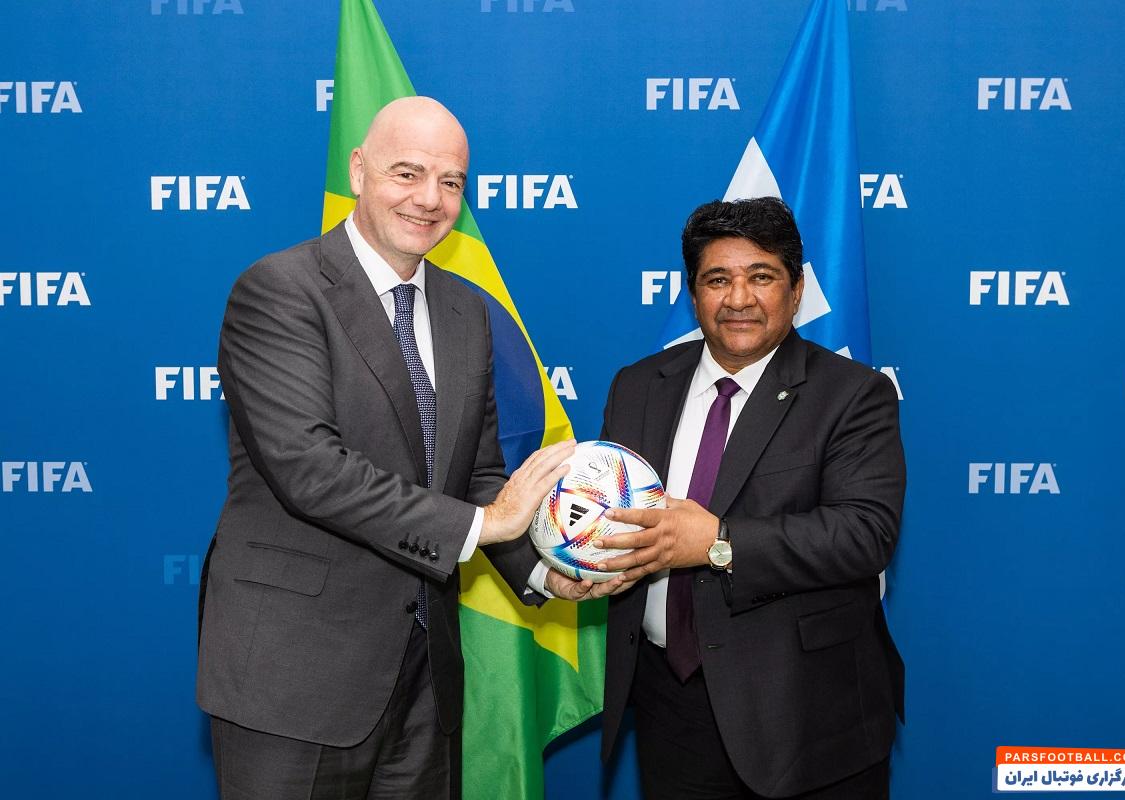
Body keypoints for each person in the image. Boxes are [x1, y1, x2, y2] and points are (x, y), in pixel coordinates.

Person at [196, 96, 580, 800]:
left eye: (451, 182)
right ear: (358, 170)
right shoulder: (280, 290)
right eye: (407, 173)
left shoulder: (468, 310)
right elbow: (310, 470)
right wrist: (486, 525)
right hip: (295, 676)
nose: (430, 199)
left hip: (425, 680)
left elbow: (478, 474)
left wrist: (545, 571)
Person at [589, 197, 906, 798]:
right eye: (717, 280)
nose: (738, 299)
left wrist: (720, 542)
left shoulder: (853, 395)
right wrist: (573, 562)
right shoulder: (638, 385)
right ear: (693, 293)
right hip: (669, 704)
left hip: (806, 714)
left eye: (761, 277)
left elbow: (865, 535)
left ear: (797, 289)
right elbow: (608, 511)